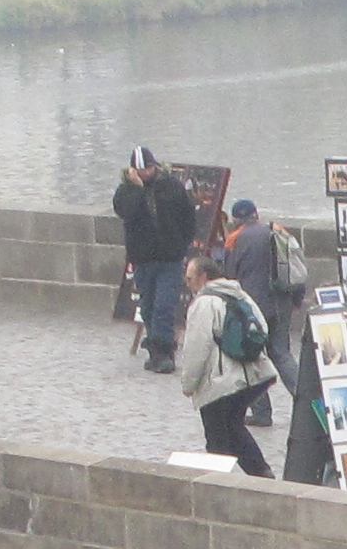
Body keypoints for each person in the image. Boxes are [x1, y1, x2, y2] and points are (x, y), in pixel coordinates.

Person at [176, 249, 276, 474]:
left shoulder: (203, 304)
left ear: (203, 277)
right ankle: (261, 474)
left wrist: (188, 385)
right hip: (252, 375)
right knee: (234, 427)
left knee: (217, 437)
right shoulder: (240, 294)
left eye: (190, 278)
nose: (188, 283)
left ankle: (221, 485)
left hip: (220, 381)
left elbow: (196, 349)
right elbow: (262, 328)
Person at [114, 146, 194, 372]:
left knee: (164, 305)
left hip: (169, 258)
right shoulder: (125, 192)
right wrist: (137, 189)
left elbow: (188, 218)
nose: (145, 174)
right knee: (148, 307)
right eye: (140, 170)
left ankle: (165, 352)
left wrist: (180, 244)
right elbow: (125, 212)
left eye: (148, 169)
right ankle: (156, 352)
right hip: (143, 259)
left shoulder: (172, 187)